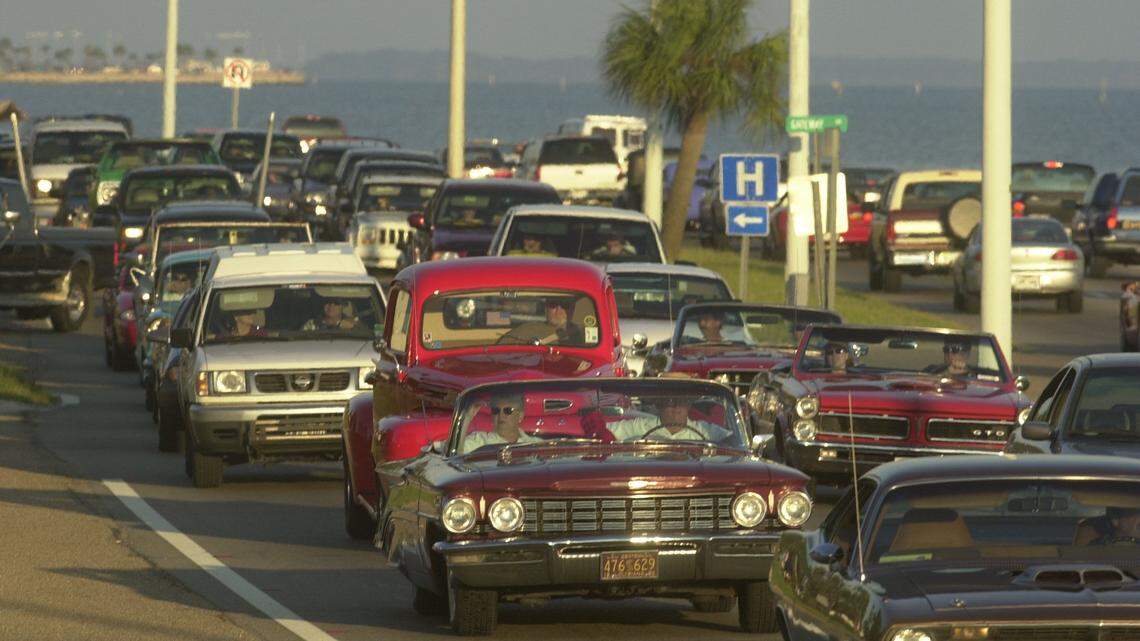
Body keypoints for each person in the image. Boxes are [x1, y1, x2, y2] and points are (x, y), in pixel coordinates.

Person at [585, 397, 730, 443]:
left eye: (682, 401)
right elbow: (604, 430)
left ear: (689, 405)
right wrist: (597, 427)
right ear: (659, 405)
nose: (676, 406)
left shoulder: (707, 430)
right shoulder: (640, 427)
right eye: (670, 401)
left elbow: (733, 441)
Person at [460, 393, 542, 453]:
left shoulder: (536, 444)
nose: (501, 415)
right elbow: (454, 454)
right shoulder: (479, 441)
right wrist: (467, 417)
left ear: (520, 415)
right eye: (496, 411)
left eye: (507, 411)